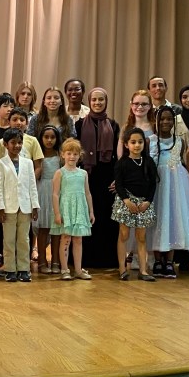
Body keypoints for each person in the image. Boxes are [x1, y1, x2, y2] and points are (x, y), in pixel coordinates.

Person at [147, 106, 189, 278]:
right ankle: (157, 260)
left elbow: (182, 161)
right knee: (157, 218)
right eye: (162, 119)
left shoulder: (180, 141)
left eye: (169, 118)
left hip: (176, 184)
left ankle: (169, 260)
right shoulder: (150, 141)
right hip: (157, 183)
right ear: (156, 120)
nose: (165, 122)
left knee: (173, 217)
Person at [74, 87, 120, 270]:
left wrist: (118, 178)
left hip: (107, 179)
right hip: (86, 177)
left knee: (107, 218)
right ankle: (85, 259)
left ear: (106, 102)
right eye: (94, 100)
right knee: (86, 217)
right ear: (89, 102)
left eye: (101, 100)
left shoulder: (114, 125)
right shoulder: (78, 125)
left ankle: (107, 259)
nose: (97, 103)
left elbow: (118, 154)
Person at [112, 128, 158, 281]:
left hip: (143, 202)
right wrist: (126, 200)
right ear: (126, 145)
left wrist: (148, 201)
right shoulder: (122, 163)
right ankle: (122, 268)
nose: (137, 145)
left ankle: (143, 270)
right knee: (124, 234)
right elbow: (118, 185)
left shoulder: (148, 162)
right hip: (126, 202)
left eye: (140, 142)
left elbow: (153, 184)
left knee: (142, 237)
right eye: (133, 142)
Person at [0, 128, 39, 283]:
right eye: (13, 142)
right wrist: (0, 208)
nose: (17, 146)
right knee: (9, 240)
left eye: (19, 142)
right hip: (8, 207)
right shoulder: (0, 164)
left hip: (25, 206)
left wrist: (35, 205)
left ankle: (24, 269)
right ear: (6, 144)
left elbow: (32, 185)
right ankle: (10, 269)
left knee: (24, 239)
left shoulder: (27, 163)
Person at [51, 138, 94, 281]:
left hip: (80, 209)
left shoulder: (83, 174)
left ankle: (78, 269)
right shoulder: (60, 173)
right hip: (66, 209)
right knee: (65, 238)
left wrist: (91, 211)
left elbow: (87, 193)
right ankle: (64, 269)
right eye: (69, 153)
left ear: (79, 155)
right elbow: (55, 194)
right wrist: (57, 213)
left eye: (75, 154)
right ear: (63, 154)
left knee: (78, 239)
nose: (72, 157)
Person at [34, 125, 62, 274]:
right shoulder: (38, 156)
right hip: (42, 192)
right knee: (43, 228)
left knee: (57, 229)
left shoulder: (60, 156)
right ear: (41, 139)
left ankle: (56, 261)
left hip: (57, 192)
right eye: (46, 137)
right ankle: (42, 261)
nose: (49, 140)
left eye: (52, 137)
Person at [118, 90, 157, 159]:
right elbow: (120, 154)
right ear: (131, 105)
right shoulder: (126, 128)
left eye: (144, 104)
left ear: (150, 106)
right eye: (136, 104)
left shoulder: (155, 127)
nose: (140, 107)